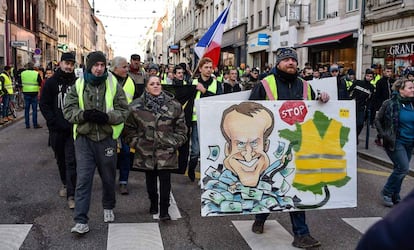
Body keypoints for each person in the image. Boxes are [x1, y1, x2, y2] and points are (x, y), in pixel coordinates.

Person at [249, 47, 330, 249]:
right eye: (286, 60)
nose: (291, 63)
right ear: (278, 63)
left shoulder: (305, 85)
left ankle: (301, 234)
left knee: (294, 187)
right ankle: (260, 217)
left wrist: (322, 99)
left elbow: (312, 108)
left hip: (297, 145)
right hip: (271, 146)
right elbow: (250, 111)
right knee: (270, 184)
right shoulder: (265, 85)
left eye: (293, 60)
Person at [63, 51, 129, 235]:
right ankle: (81, 221)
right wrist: (83, 115)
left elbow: (124, 110)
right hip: (85, 139)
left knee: (108, 178)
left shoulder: (112, 83)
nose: (99, 69)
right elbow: (68, 110)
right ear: (89, 66)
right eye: (95, 65)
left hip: (106, 139)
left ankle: (108, 206)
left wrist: (108, 117)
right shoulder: (79, 84)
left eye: (102, 65)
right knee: (83, 180)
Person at [123, 75, 187, 220]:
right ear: (146, 87)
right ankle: (153, 203)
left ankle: (164, 210)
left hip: (166, 151)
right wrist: (137, 144)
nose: (156, 86)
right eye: (152, 84)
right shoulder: (135, 106)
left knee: (165, 181)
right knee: (150, 181)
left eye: (158, 83)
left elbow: (182, 129)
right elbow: (128, 130)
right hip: (146, 152)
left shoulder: (174, 105)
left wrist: (174, 142)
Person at [40, 52, 77, 209]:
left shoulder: (77, 82)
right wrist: (53, 121)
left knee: (71, 161)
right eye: (66, 63)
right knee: (60, 159)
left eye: (71, 64)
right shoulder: (51, 82)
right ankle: (64, 182)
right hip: (56, 130)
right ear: (60, 63)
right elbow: (44, 104)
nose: (69, 67)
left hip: (73, 129)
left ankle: (71, 194)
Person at [374, 78, 414, 207]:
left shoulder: (412, 104)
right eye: (410, 88)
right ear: (401, 90)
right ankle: (387, 191)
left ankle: (395, 194)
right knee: (403, 168)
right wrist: (384, 134)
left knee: (400, 169)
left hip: (410, 142)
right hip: (396, 142)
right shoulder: (389, 103)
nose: (413, 89)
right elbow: (378, 120)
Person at [187, 57, 221, 182]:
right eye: (206, 67)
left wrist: (204, 91)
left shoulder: (217, 84)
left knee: (210, 150)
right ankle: (191, 167)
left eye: (210, 67)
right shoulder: (193, 82)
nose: (208, 70)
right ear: (200, 69)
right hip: (196, 120)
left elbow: (219, 100)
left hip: (211, 120)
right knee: (195, 150)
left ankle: (207, 176)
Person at [109, 56, 136, 195]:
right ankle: (108, 181)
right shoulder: (106, 81)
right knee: (109, 154)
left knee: (126, 153)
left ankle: (123, 182)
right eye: (124, 67)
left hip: (125, 123)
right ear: (115, 68)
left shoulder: (130, 81)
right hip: (110, 123)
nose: (127, 69)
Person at [348, 69, 375, 143]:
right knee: (351, 122)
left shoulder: (371, 88)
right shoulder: (358, 82)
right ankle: (352, 137)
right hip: (352, 105)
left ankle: (355, 136)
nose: (369, 77)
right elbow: (349, 91)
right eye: (367, 76)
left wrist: (368, 107)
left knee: (360, 123)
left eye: (370, 76)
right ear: (365, 75)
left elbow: (371, 99)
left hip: (362, 107)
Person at [20, 62, 43, 129]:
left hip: (26, 92)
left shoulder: (23, 73)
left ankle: (27, 125)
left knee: (26, 109)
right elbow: (40, 82)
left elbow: (19, 82)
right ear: (33, 67)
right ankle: (35, 124)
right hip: (34, 93)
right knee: (34, 110)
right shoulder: (36, 73)